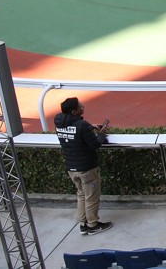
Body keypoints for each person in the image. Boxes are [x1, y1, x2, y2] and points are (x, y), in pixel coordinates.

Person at [54, 96, 113, 235]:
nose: (83, 107)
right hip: (86, 168)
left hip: (71, 168)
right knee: (91, 197)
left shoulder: (60, 123)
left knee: (81, 194)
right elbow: (95, 144)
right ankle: (93, 225)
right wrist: (102, 134)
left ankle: (83, 224)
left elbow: (75, 129)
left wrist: (89, 126)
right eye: (81, 106)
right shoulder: (82, 126)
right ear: (74, 112)